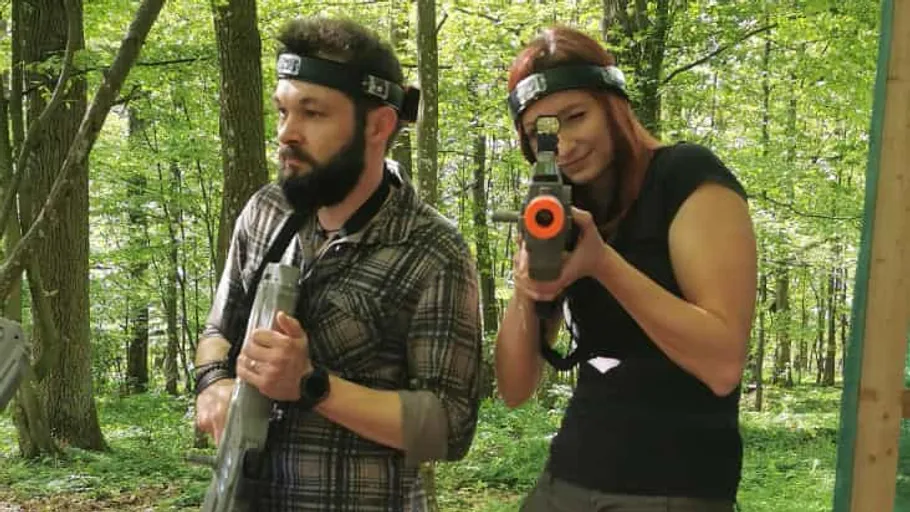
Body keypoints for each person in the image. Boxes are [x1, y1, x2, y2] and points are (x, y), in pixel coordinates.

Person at [192, 17, 483, 511]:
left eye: (312, 113)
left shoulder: (434, 250)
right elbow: (218, 330)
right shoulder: (265, 212)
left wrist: (312, 385)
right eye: (282, 111)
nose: (287, 133)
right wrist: (213, 383)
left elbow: (448, 427)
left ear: (378, 125)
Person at [495, 25, 757, 512]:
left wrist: (602, 264)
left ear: (613, 106)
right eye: (541, 134)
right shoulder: (566, 209)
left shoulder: (686, 177)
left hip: (673, 485)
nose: (564, 145)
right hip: (569, 476)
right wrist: (529, 282)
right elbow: (514, 389)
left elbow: (723, 364)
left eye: (576, 116)